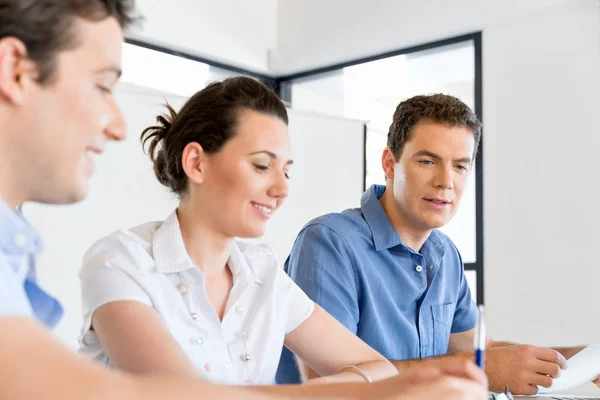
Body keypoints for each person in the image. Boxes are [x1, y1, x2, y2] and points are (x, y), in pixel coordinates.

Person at [0, 1, 488, 399]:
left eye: (286, 170)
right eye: (260, 165)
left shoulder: (261, 274)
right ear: (196, 163)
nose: (281, 188)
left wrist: (397, 382)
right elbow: (178, 395)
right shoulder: (121, 261)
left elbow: (376, 369)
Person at [276, 93, 600, 395]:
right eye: (428, 161)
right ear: (389, 163)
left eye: (460, 165)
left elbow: (480, 351)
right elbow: (328, 386)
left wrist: (580, 360)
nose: (446, 181)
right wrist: (476, 369)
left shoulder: (445, 255)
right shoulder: (329, 243)